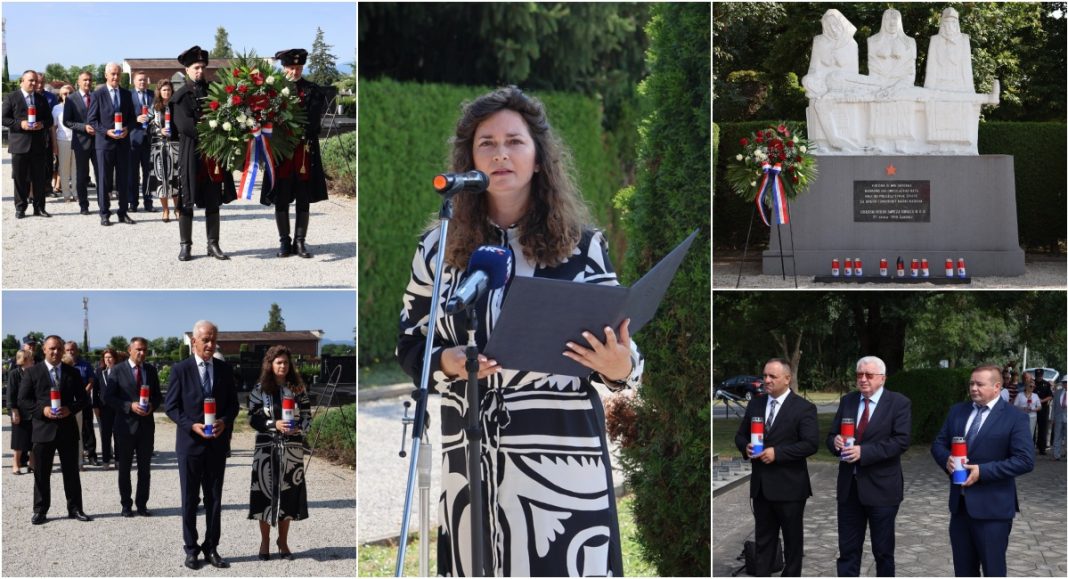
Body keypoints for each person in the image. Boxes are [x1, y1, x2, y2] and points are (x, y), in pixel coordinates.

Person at [396, 86, 643, 576]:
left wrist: (621, 368)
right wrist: (447, 361)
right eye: (486, 143)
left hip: (562, 463)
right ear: (469, 158)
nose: (500, 153)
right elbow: (410, 340)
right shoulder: (436, 247)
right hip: (470, 457)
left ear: (538, 158)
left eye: (514, 141)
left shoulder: (583, 248)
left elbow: (622, 349)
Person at [931, 364, 1034, 577]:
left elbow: (1025, 460)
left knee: (993, 571)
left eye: (979, 384)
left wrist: (983, 471)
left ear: (997, 387)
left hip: (993, 512)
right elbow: (938, 445)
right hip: (960, 509)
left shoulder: (1015, 417)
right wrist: (947, 460)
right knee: (964, 572)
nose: (973, 388)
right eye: (971, 383)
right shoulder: (957, 411)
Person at [164, 320, 239, 570]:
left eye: (213, 339)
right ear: (194, 341)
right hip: (190, 445)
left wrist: (224, 422)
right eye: (205, 339)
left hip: (216, 446)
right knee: (189, 499)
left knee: (214, 500)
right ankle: (191, 549)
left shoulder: (224, 370)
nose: (210, 344)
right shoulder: (180, 370)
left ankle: (212, 547)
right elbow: (171, 407)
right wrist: (190, 425)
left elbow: (233, 405)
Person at [826, 356, 911, 577]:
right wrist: (835, 442)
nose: (863, 379)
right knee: (848, 550)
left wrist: (864, 452)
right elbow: (831, 435)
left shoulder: (899, 403)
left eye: (869, 375)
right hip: (849, 489)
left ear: (882, 379)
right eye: (859, 375)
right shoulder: (848, 401)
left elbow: (901, 441)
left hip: (882, 489)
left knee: (883, 552)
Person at [733, 358, 818, 577]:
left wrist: (777, 453)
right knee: (763, 542)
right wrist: (747, 448)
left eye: (772, 376)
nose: (766, 380)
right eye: (765, 376)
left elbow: (810, 444)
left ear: (787, 379)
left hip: (790, 488)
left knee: (792, 543)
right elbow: (740, 436)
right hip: (762, 487)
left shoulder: (804, 408)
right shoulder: (756, 403)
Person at [17, 335, 92, 525]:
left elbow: (83, 399)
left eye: (59, 348)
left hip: (67, 430)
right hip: (43, 430)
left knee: (71, 473)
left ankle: (75, 508)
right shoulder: (33, 372)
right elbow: (23, 400)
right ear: (44, 350)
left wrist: (70, 409)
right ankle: (40, 510)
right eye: (52, 348)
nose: (56, 352)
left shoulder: (72, 372)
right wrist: (42, 410)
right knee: (41, 473)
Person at [171, 45, 236, 261]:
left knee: (213, 198)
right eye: (196, 67)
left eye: (202, 67)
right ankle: (185, 245)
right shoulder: (180, 96)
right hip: (191, 155)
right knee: (187, 199)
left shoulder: (213, 92)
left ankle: (213, 244)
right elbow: (185, 126)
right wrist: (211, 125)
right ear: (187, 69)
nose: (200, 71)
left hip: (213, 154)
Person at [247, 345, 311, 560]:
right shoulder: (259, 389)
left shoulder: (298, 388)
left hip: (292, 450)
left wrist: (299, 426)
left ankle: (282, 542)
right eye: (279, 362)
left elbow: (307, 416)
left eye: (285, 362)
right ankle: (264, 542)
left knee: (289, 496)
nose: (283, 366)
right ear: (271, 365)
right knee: (264, 496)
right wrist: (274, 423)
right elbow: (252, 418)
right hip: (266, 449)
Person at [265, 48, 329, 258]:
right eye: (292, 68)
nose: (295, 71)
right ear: (284, 68)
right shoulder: (270, 90)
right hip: (281, 153)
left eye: (299, 67)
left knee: (303, 198)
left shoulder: (312, 90)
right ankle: (284, 242)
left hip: (304, 152)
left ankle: (300, 242)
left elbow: (313, 122)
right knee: (281, 199)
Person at [104, 338, 162, 516]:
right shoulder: (117, 370)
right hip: (125, 427)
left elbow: (158, 396)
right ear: (130, 350)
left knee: (145, 469)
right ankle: (126, 504)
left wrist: (152, 406)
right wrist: (129, 406)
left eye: (144, 350)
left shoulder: (151, 370)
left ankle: (142, 504)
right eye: (138, 349)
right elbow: (109, 397)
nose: (142, 353)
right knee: (125, 468)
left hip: (145, 427)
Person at [87, 62, 136, 227]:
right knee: (104, 180)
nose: (115, 77)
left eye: (118, 74)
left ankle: (123, 212)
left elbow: (132, 118)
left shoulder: (127, 94)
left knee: (123, 179)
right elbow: (92, 120)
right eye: (112, 74)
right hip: (104, 144)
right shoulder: (98, 94)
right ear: (106, 75)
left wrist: (128, 128)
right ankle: (104, 213)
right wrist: (105, 131)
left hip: (123, 143)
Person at [2, 70, 55, 219]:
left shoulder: (40, 99)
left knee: (39, 178)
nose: (34, 83)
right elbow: (4, 119)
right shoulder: (11, 97)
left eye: (35, 81)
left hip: (38, 146)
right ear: (22, 81)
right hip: (19, 146)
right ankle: (20, 208)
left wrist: (41, 124)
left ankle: (39, 208)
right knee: (19, 178)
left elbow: (49, 120)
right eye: (31, 80)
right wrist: (20, 124)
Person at [63, 70, 99, 216]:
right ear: (78, 82)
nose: (87, 83)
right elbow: (67, 121)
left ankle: (103, 203)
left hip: (98, 142)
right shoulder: (71, 99)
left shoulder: (97, 97)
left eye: (89, 80)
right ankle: (84, 205)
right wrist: (83, 127)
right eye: (84, 80)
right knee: (82, 175)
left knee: (101, 174)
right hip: (81, 142)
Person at [148, 80, 179, 222]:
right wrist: (158, 130)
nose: (167, 92)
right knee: (161, 180)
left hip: (175, 146)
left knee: (175, 179)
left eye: (169, 90)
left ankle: (177, 209)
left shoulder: (177, 106)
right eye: (164, 90)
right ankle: (165, 210)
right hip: (159, 147)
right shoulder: (154, 107)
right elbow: (146, 126)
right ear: (159, 91)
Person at [64, 342, 98, 468]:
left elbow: (91, 380)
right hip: (69, 404)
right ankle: (76, 456)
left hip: (84, 402)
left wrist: (83, 394)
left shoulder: (85, 364)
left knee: (88, 428)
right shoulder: (63, 365)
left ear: (76, 350)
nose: (70, 352)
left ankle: (91, 455)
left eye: (72, 349)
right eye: (67, 350)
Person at [924, 7, 974, 92]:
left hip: (959, 85)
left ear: (956, 24)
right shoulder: (935, 40)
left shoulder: (964, 39)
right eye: (946, 22)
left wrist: (970, 89)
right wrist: (928, 89)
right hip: (938, 85)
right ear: (943, 23)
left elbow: (966, 66)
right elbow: (931, 66)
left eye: (953, 22)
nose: (950, 26)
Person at [128, 71, 156, 213]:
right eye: (139, 80)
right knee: (133, 173)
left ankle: (148, 202)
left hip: (150, 139)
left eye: (144, 80)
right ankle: (133, 202)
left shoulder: (153, 95)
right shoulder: (128, 95)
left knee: (149, 173)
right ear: (134, 81)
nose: (142, 82)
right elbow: (124, 116)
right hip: (133, 140)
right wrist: (135, 119)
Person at [8, 350, 35, 475]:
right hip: (19, 411)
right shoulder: (14, 374)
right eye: (30, 359)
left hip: (34, 410)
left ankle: (32, 463)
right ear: (24, 360)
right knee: (19, 440)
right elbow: (10, 394)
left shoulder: (35, 373)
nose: (33, 360)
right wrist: (14, 410)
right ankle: (16, 463)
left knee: (35, 439)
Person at [94, 348, 120, 470]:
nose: (108, 359)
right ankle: (106, 460)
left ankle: (118, 460)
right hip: (104, 408)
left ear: (114, 358)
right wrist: (95, 406)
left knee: (118, 434)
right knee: (105, 435)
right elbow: (95, 390)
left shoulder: (120, 371)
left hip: (117, 407)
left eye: (110, 357)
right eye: (106, 357)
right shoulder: (99, 371)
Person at [52, 85, 77, 202]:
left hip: (77, 140)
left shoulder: (78, 106)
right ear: (61, 96)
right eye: (64, 94)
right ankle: (66, 194)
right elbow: (53, 127)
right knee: (64, 168)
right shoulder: (57, 108)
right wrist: (54, 145)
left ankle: (76, 193)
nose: (67, 96)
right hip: (62, 140)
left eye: (70, 93)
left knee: (76, 169)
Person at [1033, 368, 1053, 455]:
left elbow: (1050, 396)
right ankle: (1031, 447)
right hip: (1033, 409)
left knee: (1043, 429)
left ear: (1042, 375)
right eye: (1037, 376)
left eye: (1040, 376)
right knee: (1032, 428)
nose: (1039, 377)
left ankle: (1042, 448)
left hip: (1043, 409)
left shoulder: (1046, 384)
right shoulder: (1032, 383)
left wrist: (1041, 400)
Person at [1051, 376, 1067, 461]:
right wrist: (1052, 418)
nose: (1066, 384)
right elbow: (1053, 406)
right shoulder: (1057, 392)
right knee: (1057, 436)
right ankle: (1056, 455)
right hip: (1058, 417)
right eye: (1064, 382)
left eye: (1067, 382)